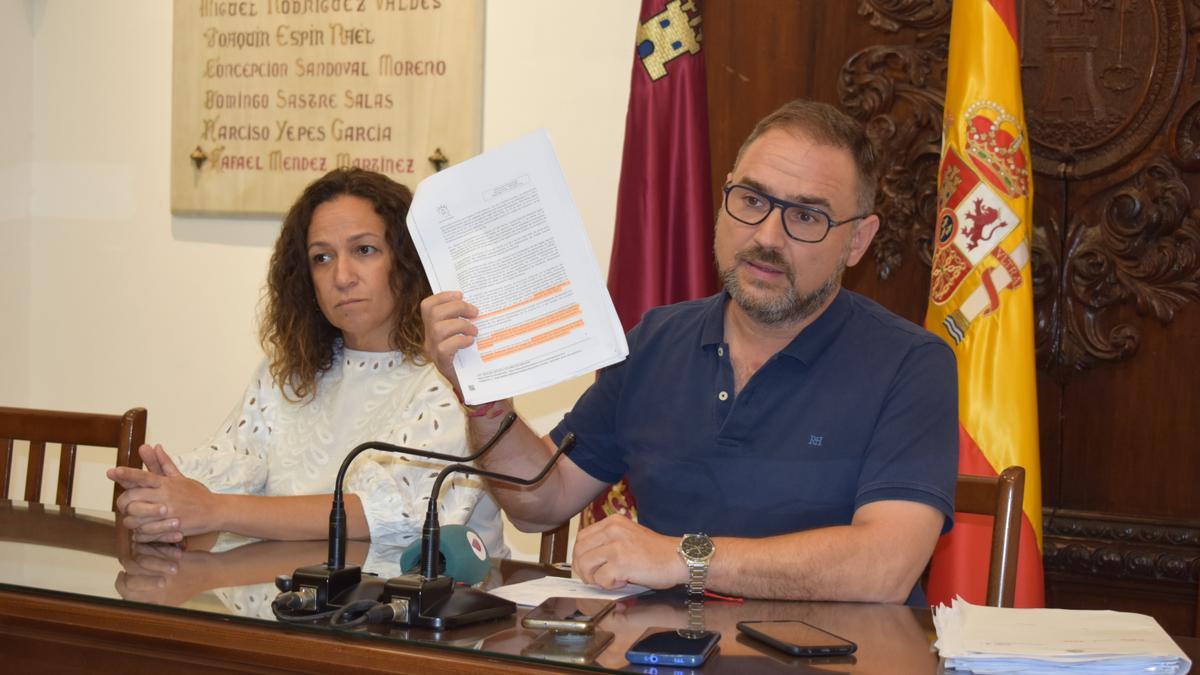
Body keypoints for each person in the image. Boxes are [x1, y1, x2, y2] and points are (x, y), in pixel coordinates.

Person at [421, 99, 956, 604]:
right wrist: (483, 397)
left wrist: (686, 557)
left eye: (806, 217)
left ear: (858, 240)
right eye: (751, 200)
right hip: (661, 650)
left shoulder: (910, 364)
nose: (768, 236)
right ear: (723, 200)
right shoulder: (656, 340)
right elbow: (543, 501)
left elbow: (886, 567)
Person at [108, 168, 507, 557]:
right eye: (322, 258)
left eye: (364, 250)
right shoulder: (288, 374)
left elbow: (378, 515)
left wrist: (212, 509)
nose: (342, 276)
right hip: (295, 598)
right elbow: (236, 466)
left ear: (407, 261)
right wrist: (165, 504)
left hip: (432, 612)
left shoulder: (452, 372)